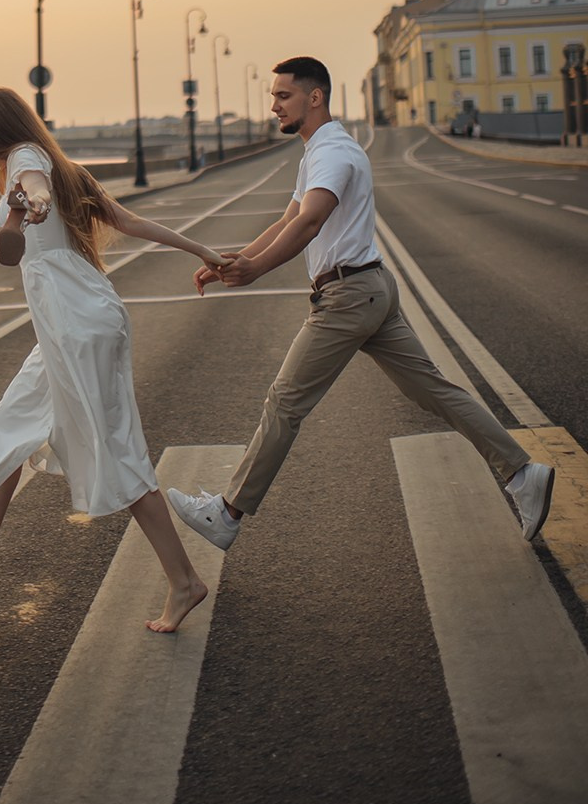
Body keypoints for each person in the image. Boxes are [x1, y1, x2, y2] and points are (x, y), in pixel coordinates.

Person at [166, 57, 554, 551]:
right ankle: (522, 474)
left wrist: (256, 270)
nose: (274, 106)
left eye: (283, 96)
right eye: (273, 96)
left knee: (285, 403)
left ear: (314, 97)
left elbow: (310, 222)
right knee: (434, 390)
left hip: (347, 297)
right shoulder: (321, 151)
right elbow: (287, 220)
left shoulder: (331, 153)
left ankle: (227, 513)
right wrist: (234, 260)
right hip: (370, 288)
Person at [0, 85, 234, 633]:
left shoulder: (26, 160)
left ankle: (185, 580)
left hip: (77, 325)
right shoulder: (65, 168)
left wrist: (34, 202)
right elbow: (128, 222)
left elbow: (35, 187)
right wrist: (203, 250)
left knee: (115, 450)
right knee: (13, 419)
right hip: (74, 323)